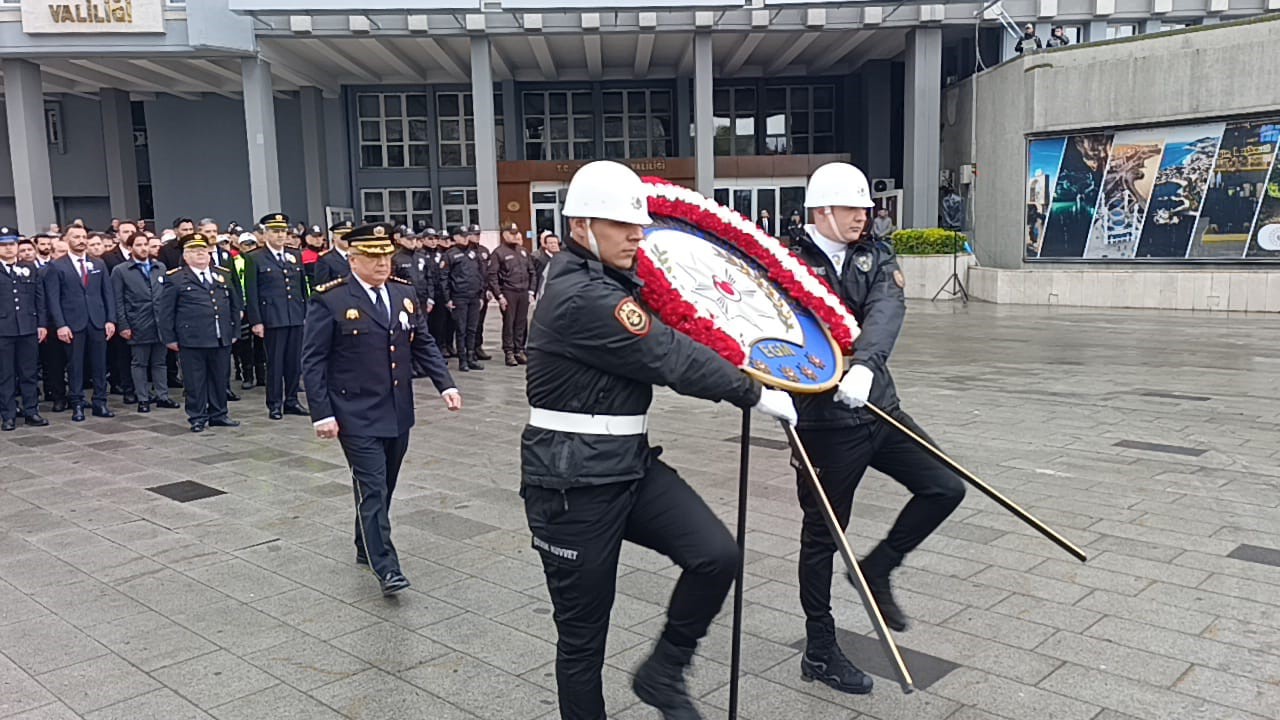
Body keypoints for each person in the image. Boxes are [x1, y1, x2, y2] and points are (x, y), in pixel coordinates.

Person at [522, 160, 798, 720]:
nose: (636, 233)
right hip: (571, 484)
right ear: (580, 228)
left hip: (628, 466)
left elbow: (683, 328)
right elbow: (666, 354)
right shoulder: (584, 297)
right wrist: (749, 391)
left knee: (716, 555)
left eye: (638, 224)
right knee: (583, 642)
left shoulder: (612, 281)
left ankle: (664, 670)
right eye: (621, 225)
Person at [784, 162, 966, 695]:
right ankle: (819, 649)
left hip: (877, 405)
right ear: (822, 211)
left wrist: (864, 364)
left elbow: (887, 305)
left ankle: (878, 566)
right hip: (824, 423)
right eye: (853, 209)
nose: (864, 216)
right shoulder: (789, 260)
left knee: (944, 486)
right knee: (823, 536)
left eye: (865, 208)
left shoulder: (875, 252)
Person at [300, 222, 461, 596]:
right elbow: (313, 361)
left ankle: (364, 544)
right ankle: (386, 567)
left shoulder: (403, 294)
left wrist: (446, 385)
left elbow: (423, 344)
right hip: (353, 412)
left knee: (384, 485)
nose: (381, 264)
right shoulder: (331, 299)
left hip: (396, 410)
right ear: (353, 260)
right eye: (372, 257)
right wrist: (322, 414)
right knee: (371, 486)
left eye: (385, 256)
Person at [157, 233, 242, 432]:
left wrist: (235, 330)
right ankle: (197, 416)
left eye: (203, 250)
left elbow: (234, 305)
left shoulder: (223, 274)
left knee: (220, 377)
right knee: (195, 380)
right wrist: (169, 338)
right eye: (195, 251)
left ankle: (219, 413)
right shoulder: (176, 278)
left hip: (220, 336)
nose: (201, 254)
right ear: (186, 256)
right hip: (192, 339)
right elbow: (166, 312)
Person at [44, 225, 117, 422]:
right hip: (72, 322)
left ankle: (100, 402)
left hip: (97, 320)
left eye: (84, 236)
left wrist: (110, 319)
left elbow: (107, 294)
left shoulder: (98, 263)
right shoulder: (57, 265)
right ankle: (77, 403)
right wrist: (60, 324)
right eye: (76, 237)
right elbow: (53, 299)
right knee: (75, 365)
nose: (81, 240)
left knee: (100, 364)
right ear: (67, 239)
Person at [243, 213, 309, 420]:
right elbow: (251, 291)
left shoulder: (294, 254)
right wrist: (256, 320)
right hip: (272, 316)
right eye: (275, 232)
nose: (280, 236)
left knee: (293, 362)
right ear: (265, 234)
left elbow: (301, 287)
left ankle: (291, 400)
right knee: (275, 362)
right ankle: (274, 403)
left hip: (295, 314)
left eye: (283, 232)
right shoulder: (255, 257)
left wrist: (306, 313)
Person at [112, 232, 178, 413]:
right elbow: (118, 300)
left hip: (160, 322)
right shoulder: (121, 270)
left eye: (145, 244)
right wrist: (123, 324)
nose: (143, 248)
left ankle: (162, 395)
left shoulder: (160, 267)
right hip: (138, 321)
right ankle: (142, 397)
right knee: (139, 362)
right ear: (131, 247)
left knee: (160, 362)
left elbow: (167, 294)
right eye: (138, 245)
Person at [0, 228, 48, 430]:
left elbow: (39, 298)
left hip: (27, 327)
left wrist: (42, 324)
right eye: (3, 245)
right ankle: (8, 415)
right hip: (3, 329)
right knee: (6, 375)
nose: (8, 248)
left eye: (11, 244)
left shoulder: (29, 267)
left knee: (29, 373)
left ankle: (31, 411)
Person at [488, 222, 536, 366]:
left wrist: (531, 291)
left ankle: (519, 349)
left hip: (523, 291)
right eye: (512, 233)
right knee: (509, 323)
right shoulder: (499, 252)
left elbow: (532, 272)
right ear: (504, 234)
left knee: (521, 322)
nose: (516, 236)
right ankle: (509, 352)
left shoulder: (522, 251)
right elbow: (492, 275)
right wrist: (499, 295)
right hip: (509, 291)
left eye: (517, 233)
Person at [442, 226, 485, 372]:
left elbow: (480, 274)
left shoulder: (473, 253)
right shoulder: (450, 255)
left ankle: (471, 356)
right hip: (459, 296)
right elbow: (444, 278)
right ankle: (463, 359)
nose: (466, 238)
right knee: (461, 329)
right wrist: (448, 298)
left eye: (467, 235)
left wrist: (481, 295)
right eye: (462, 235)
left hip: (474, 295)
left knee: (472, 328)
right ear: (455, 237)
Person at [466, 225, 494, 361]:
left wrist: (488, 289)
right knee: (470, 323)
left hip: (482, 290)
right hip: (470, 292)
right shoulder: (465, 251)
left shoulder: (484, 251)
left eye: (478, 234)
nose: (477, 236)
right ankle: (469, 349)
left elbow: (488, 272)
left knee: (480, 322)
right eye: (474, 234)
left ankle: (478, 346)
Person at [312, 221, 353, 286]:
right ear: (334, 237)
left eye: (350, 235)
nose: (347, 238)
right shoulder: (325, 259)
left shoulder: (358, 256)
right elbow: (322, 286)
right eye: (343, 235)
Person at [532, 233, 560, 299]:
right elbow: (536, 277)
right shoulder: (538, 259)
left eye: (555, 243)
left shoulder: (561, 258)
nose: (553, 245)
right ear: (545, 245)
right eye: (550, 243)